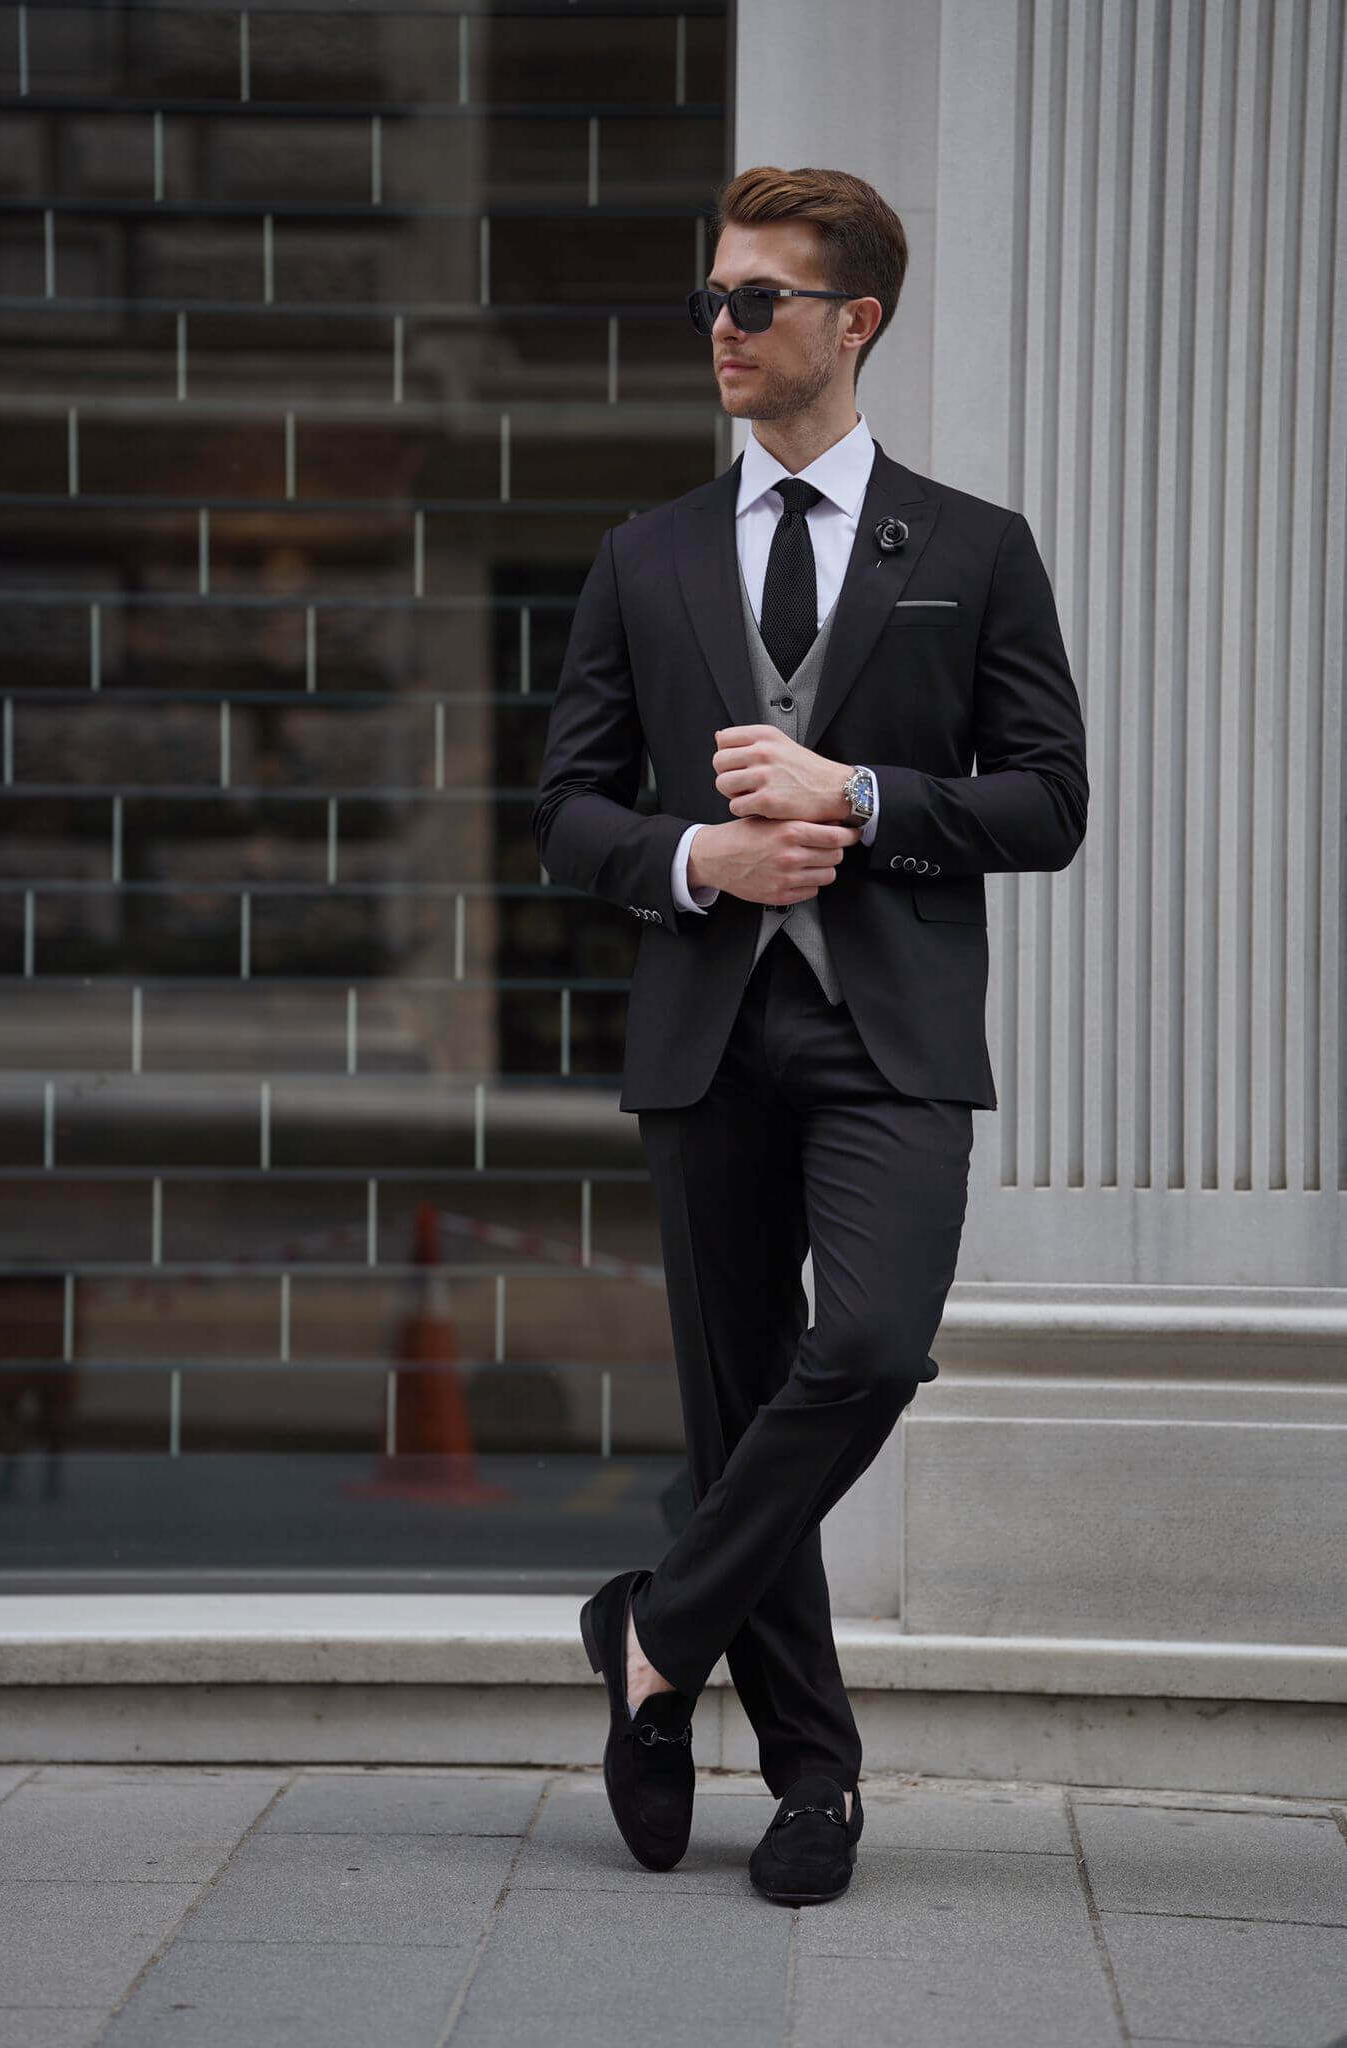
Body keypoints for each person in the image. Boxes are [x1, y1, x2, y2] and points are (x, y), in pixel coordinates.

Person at [532, 164, 1088, 1904]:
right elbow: (566, 814)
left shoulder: (974, 549)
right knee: (737, 1401)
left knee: (869, 1349)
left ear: (854, 322)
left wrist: (859, 792)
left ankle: (653, 1628)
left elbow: (1050, 800)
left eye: (755, 299)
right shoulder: (645, 557)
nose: (721, 326)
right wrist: (702, 853)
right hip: (710, 1031)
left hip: (887, 1035)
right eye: (710, 296)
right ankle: (815, 1784)